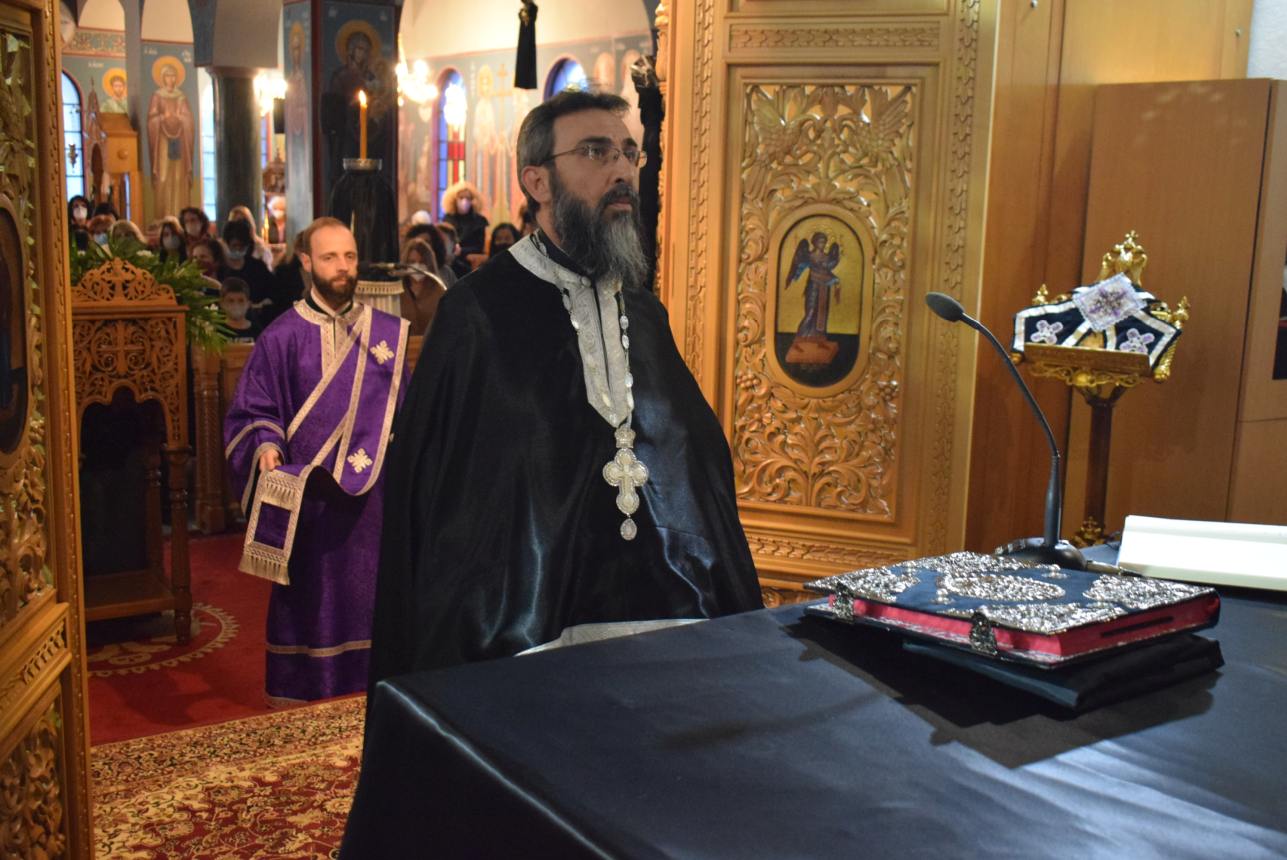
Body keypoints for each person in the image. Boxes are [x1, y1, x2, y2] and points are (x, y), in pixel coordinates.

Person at [368, 90, 762, 683]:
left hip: (665, 607)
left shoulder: (645, 313)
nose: (622, 170)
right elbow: (440, 489)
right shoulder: (478, 311)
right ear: (538, 182)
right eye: (596, 152)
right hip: (522, 624)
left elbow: (694, 468)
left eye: (628, 153)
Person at [224, 217, 410, 704]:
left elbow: (406, 413)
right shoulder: (281, 337)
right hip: (311, 503)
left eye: (349, 256)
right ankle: (309, 691)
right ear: (307, 262)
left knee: (372, 597)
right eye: (330, 257)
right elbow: (253, 410)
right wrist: (265, 444)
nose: (343, 267)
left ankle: (375, 690)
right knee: (314, 598)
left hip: (372, 500)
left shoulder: (383, 336)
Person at [146, 58, 195, 218]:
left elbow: (189, 119)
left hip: (179, 141)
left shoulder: (181, 96)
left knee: (179, 176)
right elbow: (151, 118)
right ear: (162, 78)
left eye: (173, 75)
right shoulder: (157, 96)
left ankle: (179, 214)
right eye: (167, 75)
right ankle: (163, 215)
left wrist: (182, 119)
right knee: (164, 175)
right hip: (163, 141)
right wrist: (161, 118)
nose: (171, 79)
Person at [222, 218, 283, 326]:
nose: (237, 250)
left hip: (255, 322)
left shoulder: (257, 267)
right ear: (226, 244)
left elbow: (274, 292)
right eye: (234, 246)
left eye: (241, 246)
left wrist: (262, 304)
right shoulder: (221, 268)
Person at [398, 238, 446, 337]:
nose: (417, 266)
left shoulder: (439, 290)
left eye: (422, 262)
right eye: (412, 262)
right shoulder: (397, 290)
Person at [440, 180, 489, 261]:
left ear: (473, 200)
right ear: (454, 200)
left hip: (469, 260)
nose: (465, 201)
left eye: (468, 198)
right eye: (461, 198)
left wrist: (462, 251)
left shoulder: (479, 221)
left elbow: (479, 247)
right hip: (450, 258)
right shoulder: (448, 219)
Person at [404, 223, 456, 288]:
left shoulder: (446, 272)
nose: (422, 246)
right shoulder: (404, 272)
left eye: (426, 242)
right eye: (418, 243)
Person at [228, 205, 276, 270]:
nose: (241, 226)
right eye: (237, 223)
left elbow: (267, 269)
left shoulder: (260, 247)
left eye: (244, 221)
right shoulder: (226, 247)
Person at [219, 277, 260, 342]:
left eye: (241, 300)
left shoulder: (258, 331)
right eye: (230, 301)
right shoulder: (215, 331)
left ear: (248, 304)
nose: (236, 305)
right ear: (222, 304)